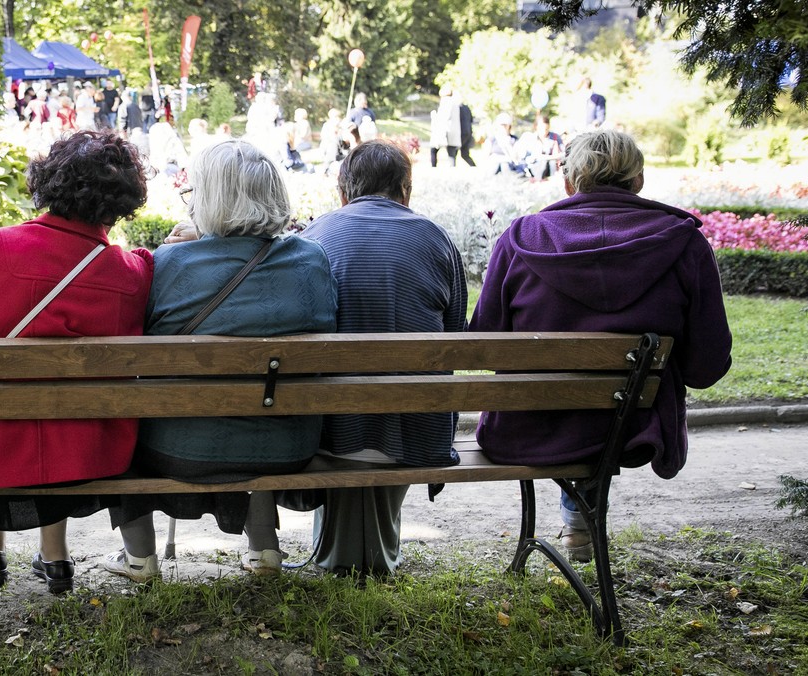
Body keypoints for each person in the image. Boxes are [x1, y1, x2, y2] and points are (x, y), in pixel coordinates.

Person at [469, 129, 732, 561]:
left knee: (575, 413)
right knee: (609, 411)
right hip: (634, 428)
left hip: (531, 425)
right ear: (639, 181)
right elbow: (707, 366)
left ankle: (578, 509)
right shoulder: (684, 242)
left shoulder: (521, 239)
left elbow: (484, 345)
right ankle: (583, 507)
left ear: (568, 183)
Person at [0, 131, 153, 593]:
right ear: (121, 200)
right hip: (91, 446)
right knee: (56, 417)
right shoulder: (133, 273)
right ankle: (55, 558)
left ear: (51, 181)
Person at [101, 140, 338, 581]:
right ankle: (264, 550)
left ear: (209, 200)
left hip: (181, 449)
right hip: (288, 447)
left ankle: (138, 558)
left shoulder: (169, 263)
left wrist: (196, 245)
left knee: (127, 429)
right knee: (260, 405)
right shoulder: (313, 260)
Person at [297, 140, 469, 576]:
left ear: (342, 193)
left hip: (330, 428)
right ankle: (370, 558)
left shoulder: (313, 237)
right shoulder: (436, 239)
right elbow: (455, 340)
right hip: (418, 427)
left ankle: (340, 557)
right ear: (405, 190)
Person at [519, 114, 565, 179]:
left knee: (552, 163)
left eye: (546, 129)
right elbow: (532, 156)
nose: (544, 131)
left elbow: (563, 153)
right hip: (535, 168)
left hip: (552, 168)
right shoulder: (531, 138)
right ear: (536, 127)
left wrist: (550, 157)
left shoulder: (555, 137)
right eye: (541, 129)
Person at [428, 88, 462, 168]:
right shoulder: (455, 103)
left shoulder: (446, 101)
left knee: (434, 148)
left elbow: (444, 117)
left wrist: (434, 116)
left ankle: (434, 167)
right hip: (454, 131)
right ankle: (452, 168)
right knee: (451, 153)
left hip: (445, 130)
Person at [458, 97, 476, 167]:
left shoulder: (458, 108)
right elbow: (471, 120)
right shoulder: (467, 108)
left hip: (461, 133)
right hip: (468, 132)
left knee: (454, 151)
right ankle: (474, 167)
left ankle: (452, 168)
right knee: (465, 154)